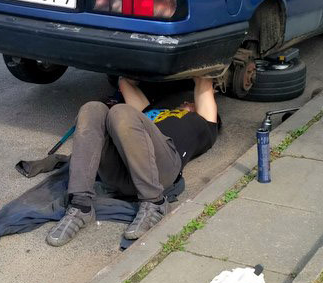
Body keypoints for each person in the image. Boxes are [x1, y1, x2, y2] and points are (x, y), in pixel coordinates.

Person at [46, 76, 219, 247]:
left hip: (160, 169)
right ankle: (80, 205)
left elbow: (204, 81)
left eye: (191, 103)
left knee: (120, 111)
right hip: (121, 171)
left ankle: (155, 204)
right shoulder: (149, 112)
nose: (186, 102)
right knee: (92, 109)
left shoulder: (202, 123)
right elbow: (124, 81)